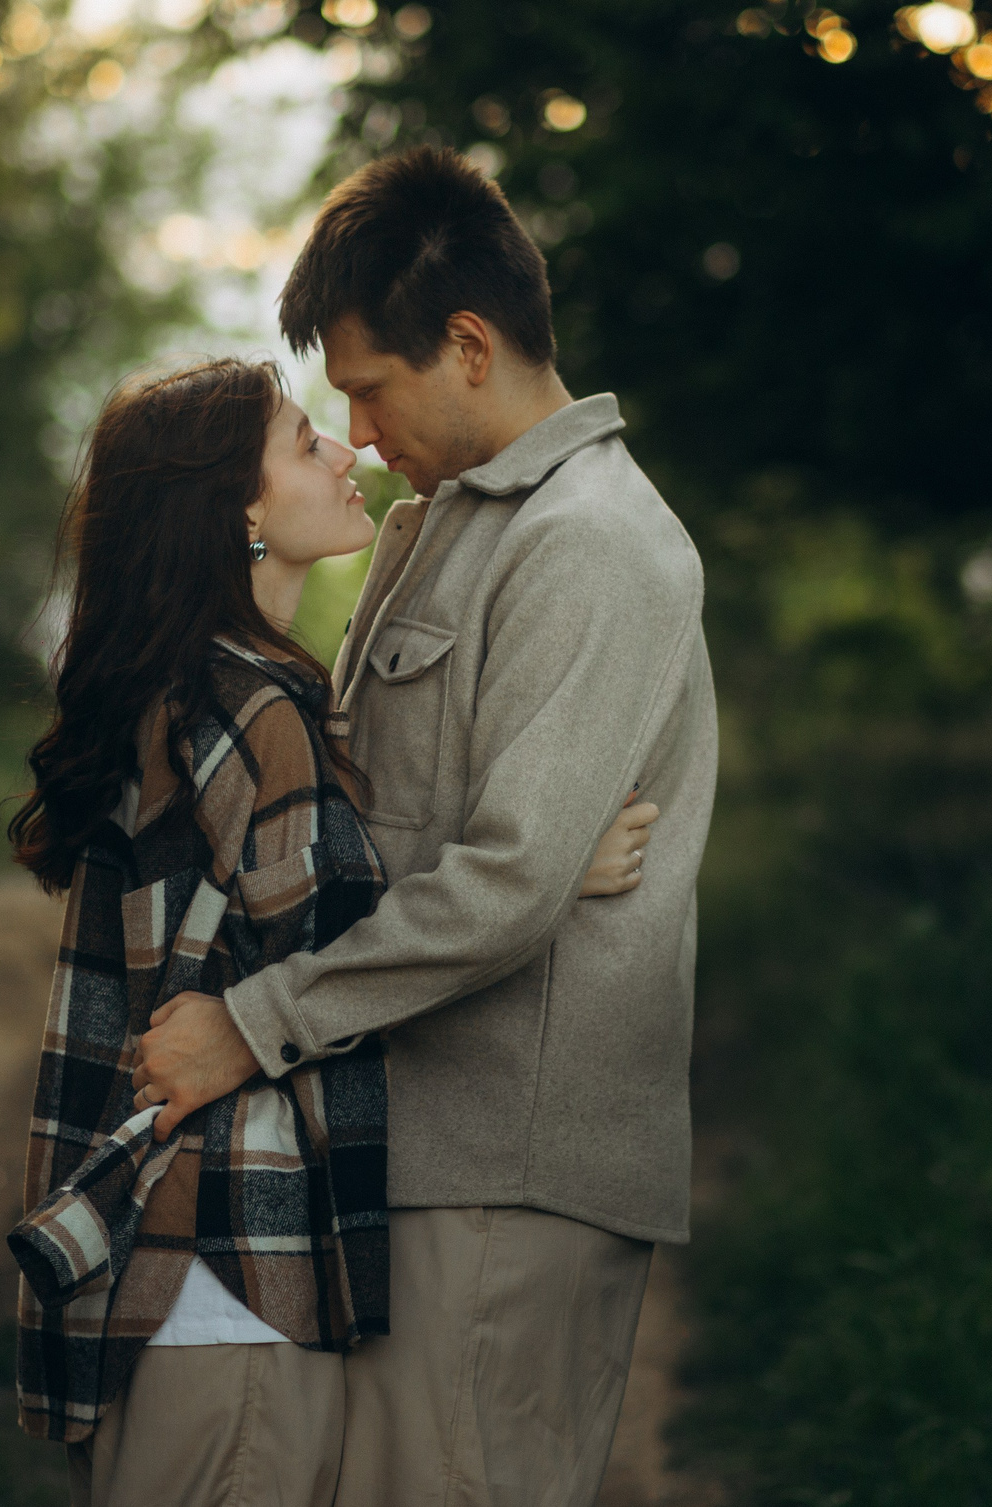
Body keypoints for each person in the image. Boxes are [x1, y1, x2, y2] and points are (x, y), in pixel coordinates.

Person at [133, 145, 719, 1507]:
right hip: (418, 1150)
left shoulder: (593, 543)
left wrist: (254, 1020)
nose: (362, 430)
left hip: (509, 1173)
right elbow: (384, 824)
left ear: (466, 344)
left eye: (370, 389)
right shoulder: (438, 525)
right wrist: (539, 867)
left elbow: (502, 881)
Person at [5, 355, 660, 1507]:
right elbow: (344, 952)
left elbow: (282, 923)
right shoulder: (252, 706)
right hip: (229, 1271)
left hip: (162, 1280)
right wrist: (546, 876)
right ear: (240, 508)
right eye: (303, 439)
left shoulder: (185, 690)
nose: (345, 448)